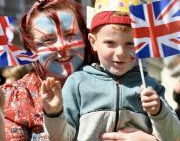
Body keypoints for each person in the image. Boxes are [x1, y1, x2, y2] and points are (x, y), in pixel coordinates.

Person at [42, 11, 180, 141]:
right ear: (93, 42)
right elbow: (62, 137)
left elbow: (173, 136)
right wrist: (54, 113)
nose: (120, 52)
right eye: (110, 43)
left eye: (130, 44)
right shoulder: (78, 83)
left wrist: (159, 111)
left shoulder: (150, 87)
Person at [2, 0, 96, 140]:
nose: (62, 46)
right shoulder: (18, 97)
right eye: (48, 40)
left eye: (70, 35)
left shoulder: (113, 81)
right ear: (32, 47)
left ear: (85, 37)